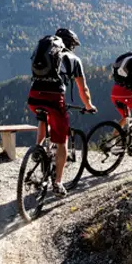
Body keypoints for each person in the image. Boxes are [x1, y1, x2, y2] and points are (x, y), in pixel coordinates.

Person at [27, 28, 96, 194]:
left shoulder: (46, 52)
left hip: (34, 96)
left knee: (43, 118)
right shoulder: (74, 59)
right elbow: (83, 89)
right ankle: (58, 183)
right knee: (62, 140)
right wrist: (88, 105)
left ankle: (38, 149)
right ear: (71, 44)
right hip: (54, 98)